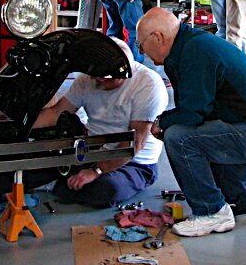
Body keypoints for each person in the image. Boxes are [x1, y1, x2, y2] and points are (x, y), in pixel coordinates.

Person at [136, 7, 246, 237]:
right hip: (244, 126)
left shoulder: (194, 51)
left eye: (141, 45)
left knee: (177, 137)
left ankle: (210, 213)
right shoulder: (183, 49)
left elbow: (192, 113)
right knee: (228, 198)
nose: (141, 52)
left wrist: (162, 122)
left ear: (158, 37)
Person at [30, 38, 168, 208]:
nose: (100, 81)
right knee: (28, 166)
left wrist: (96, 171)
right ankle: (62, 182)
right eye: (96, 77)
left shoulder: (148, 84)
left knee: (108, 190)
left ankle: (56, 185)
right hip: (91, 150)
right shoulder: (88, 78)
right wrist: (19, 128)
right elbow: (56, 112)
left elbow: (135, 142)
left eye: (107, 78)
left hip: (133, 162)